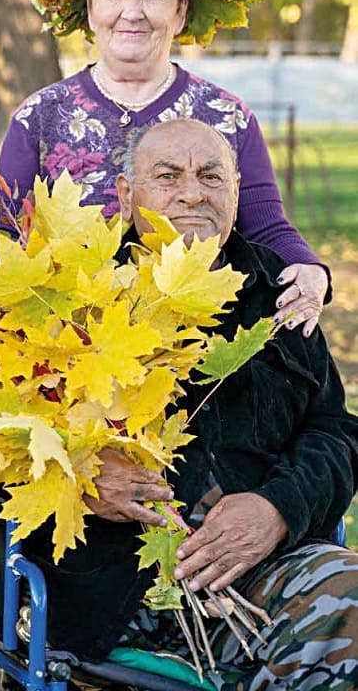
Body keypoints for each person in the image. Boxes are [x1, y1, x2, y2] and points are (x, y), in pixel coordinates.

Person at [24, 118, 358, 689]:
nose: (193, 192)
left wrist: (278, 508)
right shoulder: (73, 291)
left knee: (347, 597)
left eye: (211, 175)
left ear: (235, 192)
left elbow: (335, 433)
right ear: (127, 197)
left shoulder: (276, 290)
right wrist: (79, 475)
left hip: (261, 566)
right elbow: (4, 435)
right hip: (118, 585)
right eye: (167, 175)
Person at [0, 0, 328, 336]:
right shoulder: (40, 117)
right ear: (89, 9)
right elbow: (3, 241)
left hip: (202, 344)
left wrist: (311, 269)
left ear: (180, 11)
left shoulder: (226, 117)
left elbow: (266, 226)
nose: (132, 12)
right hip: (73, 349)